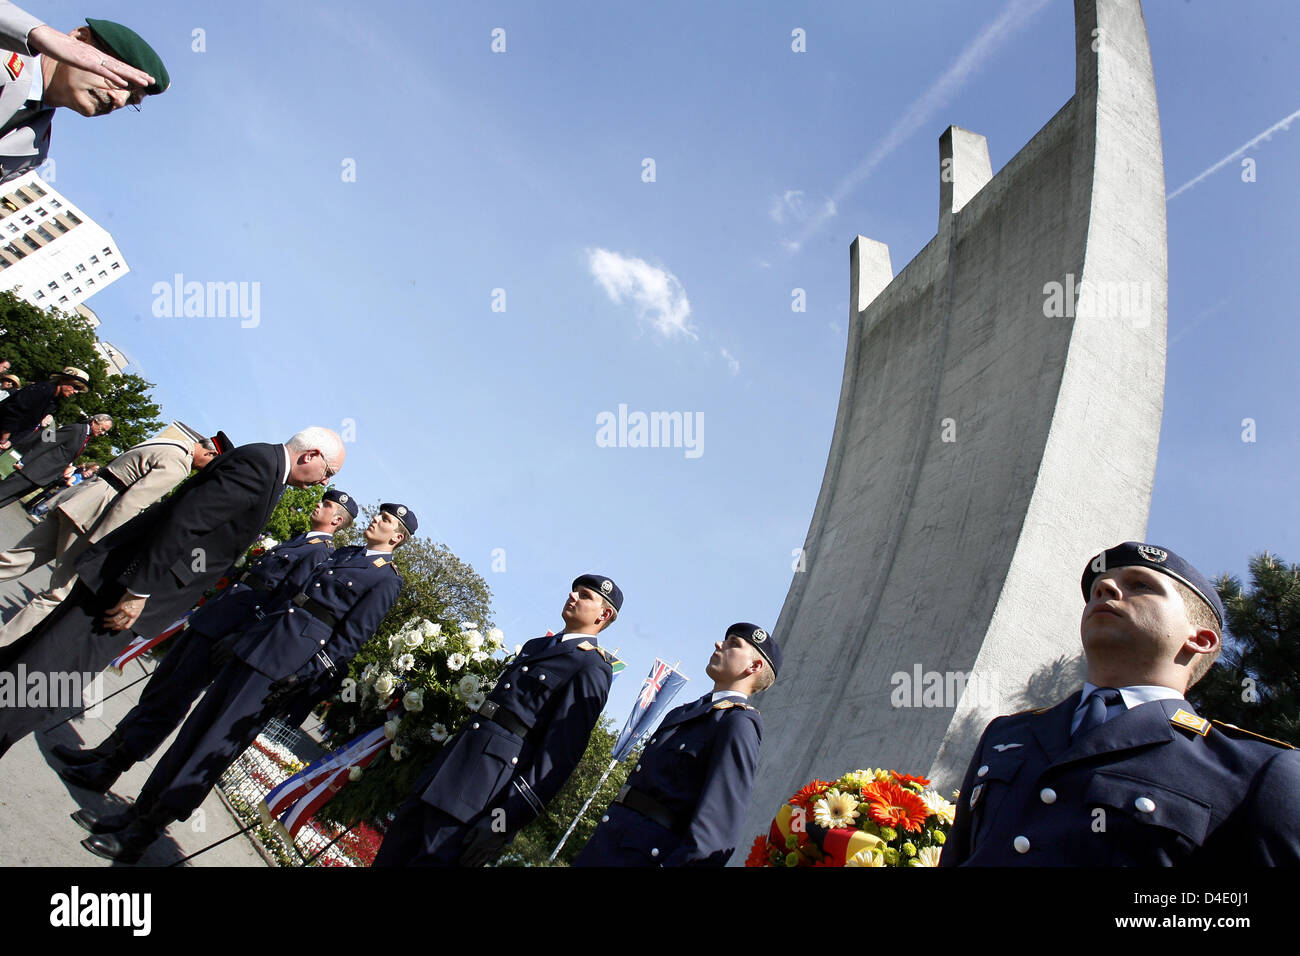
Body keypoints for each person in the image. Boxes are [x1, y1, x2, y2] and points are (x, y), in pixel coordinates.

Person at [78, 503, 409, 864]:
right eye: (380, 514)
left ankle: (143, 834)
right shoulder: (346, 553)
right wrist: (245, 636)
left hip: (283, 665)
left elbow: (350, 640)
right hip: (259, 644)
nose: (377, 519)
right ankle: (134, 814)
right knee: (193, 731)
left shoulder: (386, 579)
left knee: (211, 747)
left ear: (397, 537)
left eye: (386, 520)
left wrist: (304, 675)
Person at [941, 541, 1300, 866]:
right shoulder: (1006, 735)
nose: (1105, 587)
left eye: (1141, 585)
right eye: (1100, 585)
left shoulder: (1259, 770)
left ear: (1201, 639)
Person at [0, 426, 344, 759]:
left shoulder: (266, 467)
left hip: (140, 587)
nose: (325, 481)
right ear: (310, 455)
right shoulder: (259, 466)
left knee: (46, 663)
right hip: (130, 590)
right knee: (53, 672)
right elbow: (186, 521)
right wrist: (138, 590)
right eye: (328, 471)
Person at [57, 487, 357, 792]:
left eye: (327, 505)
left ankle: (112, 767)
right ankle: (105, 751)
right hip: (217, 616)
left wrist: (240, 636)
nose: (319, 505)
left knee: (173, 698)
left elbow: (282, 602)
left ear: (336, 520)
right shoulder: (302, 540)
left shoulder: (319, 552)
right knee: (160, 687)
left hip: (229, 630)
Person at [373, 574, 623, 867]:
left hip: (480, 797)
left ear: (603, 614)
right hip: (446, 772)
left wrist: (504, 821)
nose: (572, 596)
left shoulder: (591, 667)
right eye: (574, 590)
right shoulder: (536, 646)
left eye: (584, 595)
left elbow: (559, 755)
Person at [574, 622, 778, 867]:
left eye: (734, 644)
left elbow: (715, 835)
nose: (718, 644)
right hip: (609, 844)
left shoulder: (738, 723)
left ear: (754, 666)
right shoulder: (683, 713)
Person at [0, 435, 223, 645]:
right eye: (210, 466)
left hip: (80, 498)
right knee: (59, 593)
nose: (203, 470)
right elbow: (133, 502)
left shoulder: (168, 443)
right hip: (94, 514)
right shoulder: (178, 464)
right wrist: (105, 540)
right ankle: (5, 642)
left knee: (17, 558)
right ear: (210, 453)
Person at [0, 4, 167, 183]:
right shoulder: (5, 50)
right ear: (80, 38)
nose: (119, 99)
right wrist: (37, 33)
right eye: (120, 79)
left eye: (132, 99)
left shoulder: (36, 151)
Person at [0, 412, 110, 509]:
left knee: (9, 499)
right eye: (102, 429)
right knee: (4, 492)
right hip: (32, 471)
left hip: (44, 477)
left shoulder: (86, 439)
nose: (102, 433)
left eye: (105, 432)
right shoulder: (75, 429)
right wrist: (24, 461)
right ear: (95, 422)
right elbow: (47, 443)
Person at [0, 366, 89, 451]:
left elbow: (32, 424)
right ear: (63, 380)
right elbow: (14, 410)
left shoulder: (54, 401)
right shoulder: (42, 389)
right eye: (75, 387)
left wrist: (12, 441)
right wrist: (5, 436)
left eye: (79, 389)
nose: (76, 392)